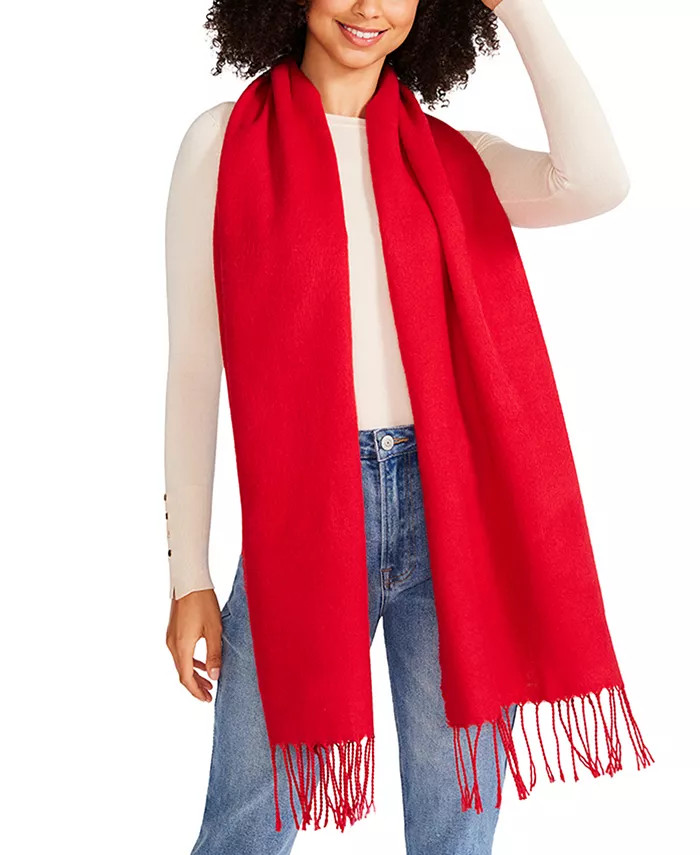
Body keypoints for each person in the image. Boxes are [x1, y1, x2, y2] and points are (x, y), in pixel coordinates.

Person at [163, 1, 631, 852]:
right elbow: (197, 367)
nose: (371, 7)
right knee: (247, 817)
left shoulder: (457, 159)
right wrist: (187, 573)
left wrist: (516, 8)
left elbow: (596, 181)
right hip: (308, 518)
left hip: (454, 508)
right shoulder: (222, 143)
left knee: (458, 824)